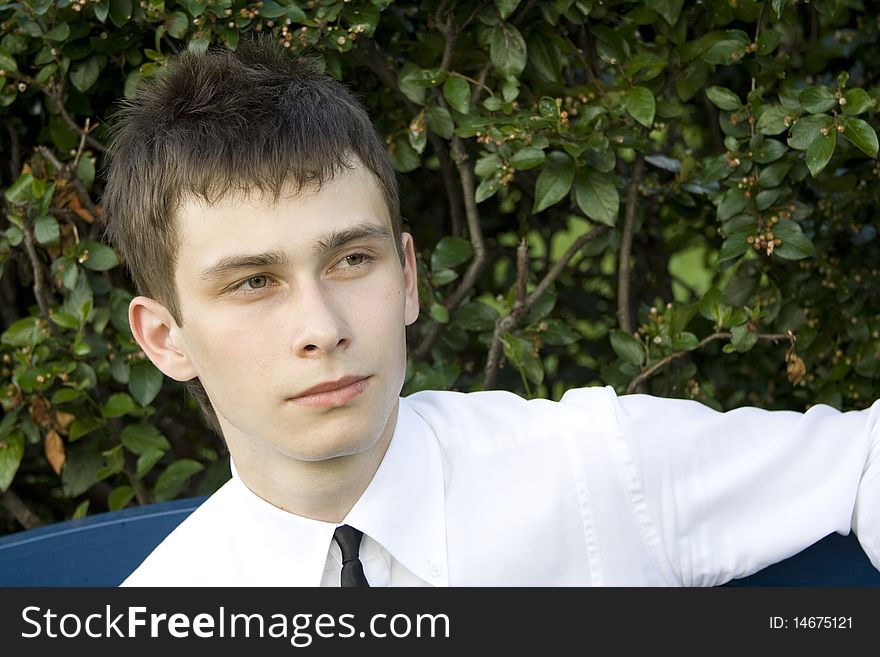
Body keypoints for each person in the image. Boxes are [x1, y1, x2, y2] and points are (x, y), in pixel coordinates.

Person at [101, 35, 879, 587]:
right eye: (253, 283)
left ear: (408, 277)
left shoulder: (591, 467)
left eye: (351, 259)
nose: (324, 326)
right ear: (166, 339)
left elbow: (861, 458)